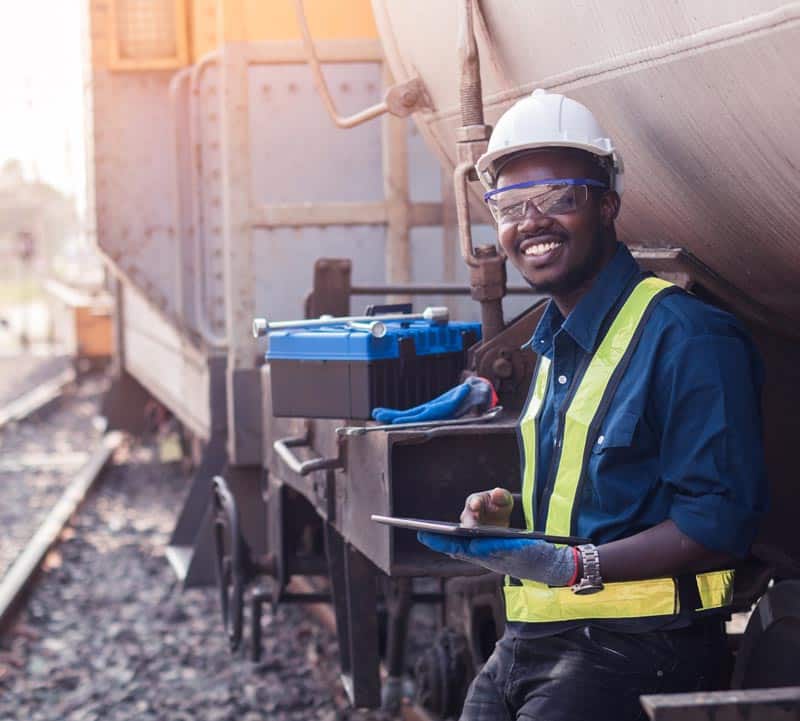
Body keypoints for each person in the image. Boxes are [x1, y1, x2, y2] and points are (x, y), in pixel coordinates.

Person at [417, 89, 768, 721]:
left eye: (557, 198)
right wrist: (504, 513)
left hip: (640, 652)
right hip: (531, 643)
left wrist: (576, 564)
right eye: (510, 204)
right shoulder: (554, 341)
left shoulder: (687, 338)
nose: (531, 221)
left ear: (608, 205)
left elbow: (718, 525)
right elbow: (602, 494)